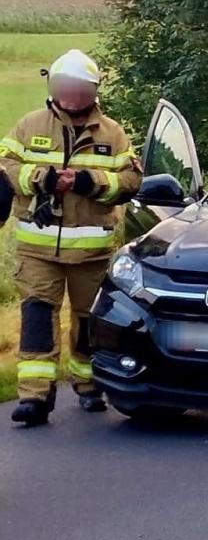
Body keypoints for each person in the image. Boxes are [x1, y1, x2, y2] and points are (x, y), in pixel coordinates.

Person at [1, 49, 141, 426]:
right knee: (36, 317)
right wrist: (41, 178)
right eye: (63, 87)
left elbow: (130, 182)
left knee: (88, 321)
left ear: (92, 92)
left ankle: (88, 385)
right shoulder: (30, 125)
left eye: (77, 89)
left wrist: (85, 182)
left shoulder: (112, 134)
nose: (70, 95)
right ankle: (34, 397)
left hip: (93, 254)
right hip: (38, 249)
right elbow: (6, 166)